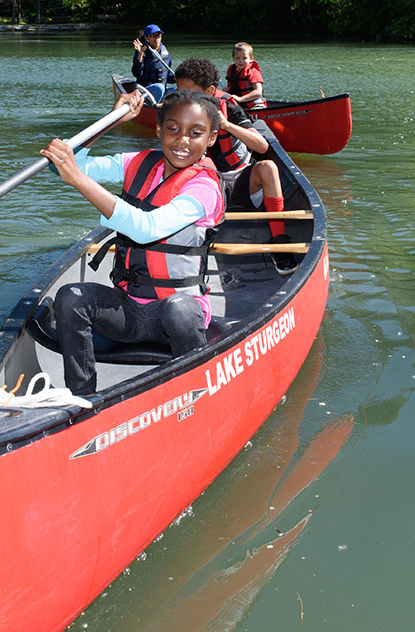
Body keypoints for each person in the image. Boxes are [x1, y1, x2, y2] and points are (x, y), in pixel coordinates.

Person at [39, 90, 223, 395]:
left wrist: (79, 181)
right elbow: (72, 164)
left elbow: (147, 228)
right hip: (129, 309)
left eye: (196, 133)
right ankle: (83, 397)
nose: (182, 141)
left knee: (180, 309)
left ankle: (193, 390)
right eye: (173, 129)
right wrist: (110, 122)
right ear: (158, 129)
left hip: (176, 315)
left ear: (212, 138)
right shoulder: (139, 162)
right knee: (70, 296)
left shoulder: (204, 187)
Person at [173, 58, 293, 272]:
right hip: (208, 184)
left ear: (209, 91)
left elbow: (262, 146)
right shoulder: (180, 112)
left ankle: (279, 243)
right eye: (180, 92)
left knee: (269, 167)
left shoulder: (228, 107)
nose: (184, 98)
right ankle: (182, 240)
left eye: (189, 92)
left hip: (241, 180)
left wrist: (226, 125)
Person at [131, 24, 174, 104]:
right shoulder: (141, 51)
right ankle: (154, 108)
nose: (156, 39)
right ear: (147, 38)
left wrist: (180, 77)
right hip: (145, 91)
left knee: (181, 89)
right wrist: (140, 55)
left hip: (162, 91)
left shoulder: (165, 52)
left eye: (158, 36)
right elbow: (136, 73)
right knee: (159, 87)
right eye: (153, 36)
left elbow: (169, 77)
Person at [225, 42, 266, 109]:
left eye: (244, 58)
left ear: (251, 59)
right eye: (237, 58)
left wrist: (240, 99)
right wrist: (226, 91)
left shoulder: (253, 72)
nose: (241, 61)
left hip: (255, 106)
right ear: (233, 58)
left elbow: (258, 92)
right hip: (239, 106)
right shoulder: (232, 71)